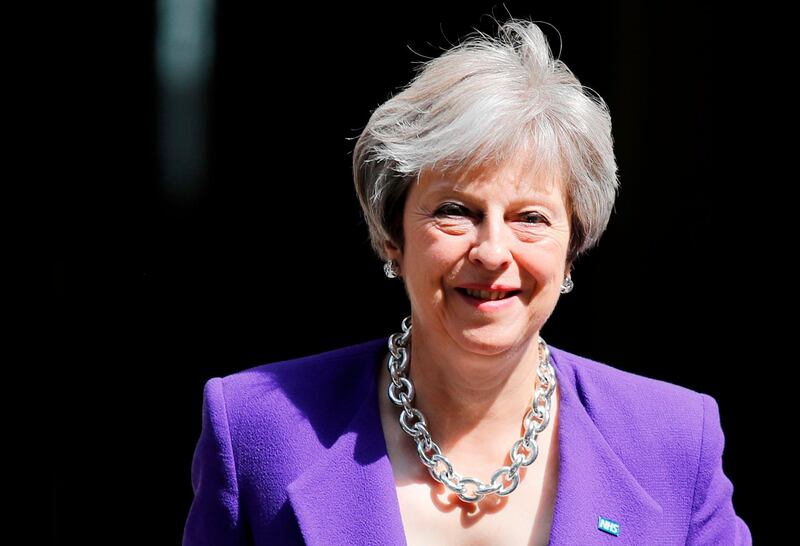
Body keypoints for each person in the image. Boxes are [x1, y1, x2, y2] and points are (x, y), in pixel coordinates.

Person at [181, 17, 751, 546]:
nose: (493, 252)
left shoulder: (676, 442)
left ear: (572, 251)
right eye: (455, 210)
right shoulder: (256, 428)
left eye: (531, 218)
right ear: (391, 237)